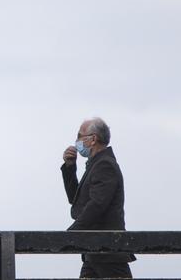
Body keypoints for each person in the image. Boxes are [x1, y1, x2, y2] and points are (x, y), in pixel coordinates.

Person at [61, 117, 136, 278]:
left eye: (79, 136)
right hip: (94, 252)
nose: (76, 142)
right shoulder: (95, 164)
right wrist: (70, 167)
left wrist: (71, 234)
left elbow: (97, 205)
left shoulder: (104, 165)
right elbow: (77, 201)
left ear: (93, 139)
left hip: (108, 252)